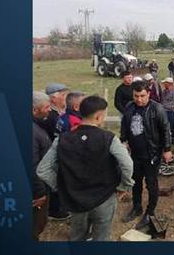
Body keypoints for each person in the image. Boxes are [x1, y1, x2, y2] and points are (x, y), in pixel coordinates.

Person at [37, 96, 134, 241]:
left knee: (77, 236)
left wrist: (62, 188)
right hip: (104, 198)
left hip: (75, 200)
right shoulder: (109, 138)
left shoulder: (62, 139)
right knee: (102, 237)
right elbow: (127, 164)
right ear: (99, 116)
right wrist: (124, 186)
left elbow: (42, 170)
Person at [120, 80, 172, 228]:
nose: (139, 99)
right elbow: (125, 126)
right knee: (135, 182)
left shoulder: (157, 109)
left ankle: (150, 212)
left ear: (149, 94)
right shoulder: (129, 107)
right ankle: (137, 207)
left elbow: (165, 129)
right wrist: (123, 141)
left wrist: (167, 150)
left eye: (142, 96)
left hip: (152, 155)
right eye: (136, 96)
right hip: (135, 155)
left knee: (151, 184)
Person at [43, 83, 70, 221]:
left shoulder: (59, 111)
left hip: (60, 152)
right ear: (53, 98)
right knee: (56, 179)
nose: (66, 98)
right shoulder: (51, 116)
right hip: (53, 154)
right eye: (64, 95)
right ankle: (55, 210)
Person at [32, 91, 52, 240]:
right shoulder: (32, 132)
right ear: (35, 110)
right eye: (47, 107)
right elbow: (32, 164)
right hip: (36, 191)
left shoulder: (37, 125)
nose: (50, 110)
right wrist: (39, 193)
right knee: (35, 224)